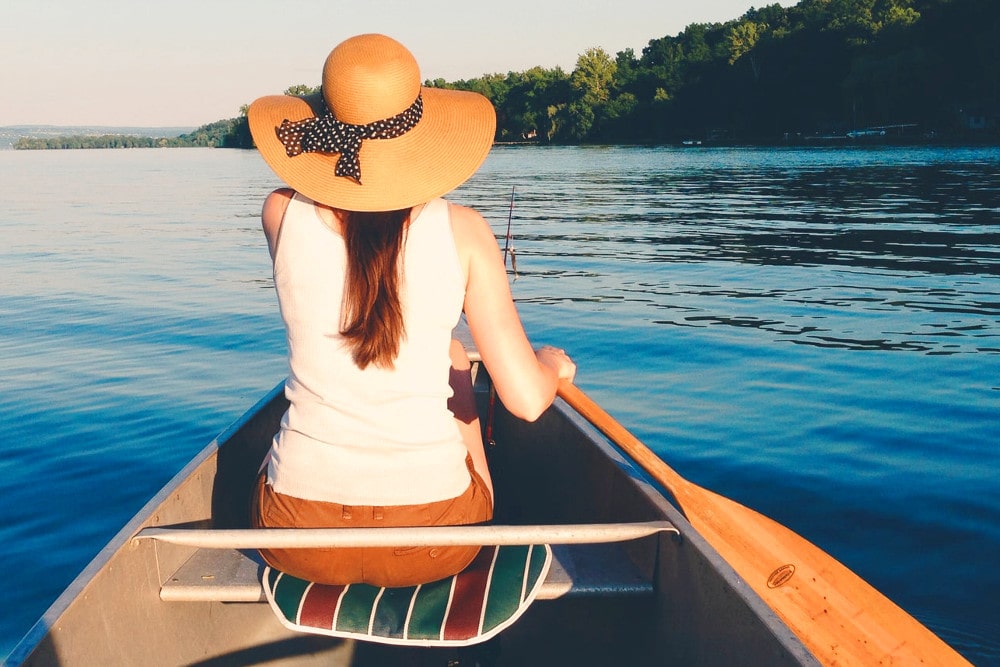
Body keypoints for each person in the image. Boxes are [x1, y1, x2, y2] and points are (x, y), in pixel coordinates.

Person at [246, 34, 575, 588]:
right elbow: (525, 400)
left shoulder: (279, 211)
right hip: (435, 542)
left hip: (295, 538)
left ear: (328, 123)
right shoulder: (465, 231)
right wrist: (550, 366)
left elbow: (359, 279)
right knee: (457, 368)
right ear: (421, 133)